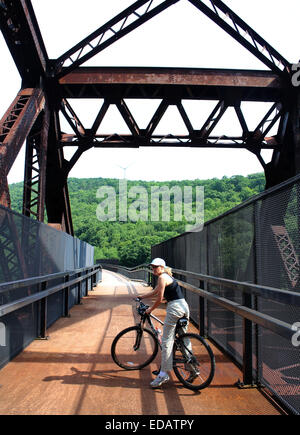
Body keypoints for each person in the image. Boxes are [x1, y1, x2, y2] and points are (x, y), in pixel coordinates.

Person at [137, 258, 190, 388]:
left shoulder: (162, 278)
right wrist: (141, 297)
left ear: (162, 267)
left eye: (156, 267)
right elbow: (155, 291)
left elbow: (159, 298)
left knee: (167, 341)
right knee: (184, 339)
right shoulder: (165, 277)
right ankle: (193, 369)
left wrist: (150, 310)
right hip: (183, 306)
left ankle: (163, 374)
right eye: (152, 267)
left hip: (174, 308)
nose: (153, 269)